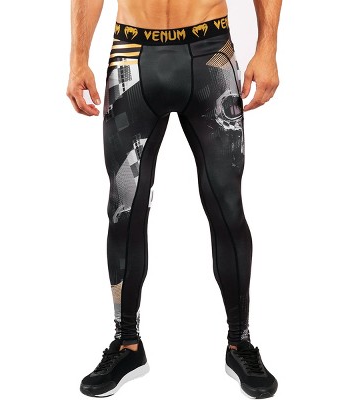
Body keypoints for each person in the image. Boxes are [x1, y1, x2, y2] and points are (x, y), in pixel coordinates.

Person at [67, 0, 282, 398]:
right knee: (124, 210)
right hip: (132, 55)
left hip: (211, 53)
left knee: (227, 207)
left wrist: (267, 47)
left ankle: (240, 343)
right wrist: (78, 58)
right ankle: (126, 345)